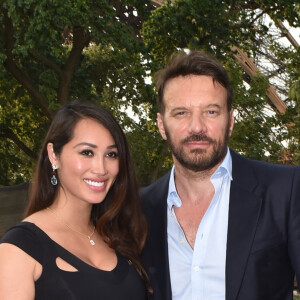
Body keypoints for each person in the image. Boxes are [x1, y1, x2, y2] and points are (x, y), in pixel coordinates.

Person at [141, 51, 300, 300]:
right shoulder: (137, 209)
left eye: (211, 112)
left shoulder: (284, 190)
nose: (197, 127)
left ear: (230, 121)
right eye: (181, 113)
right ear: (161, 125)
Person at [0, 100, 152, 299]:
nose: (101, 168)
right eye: (87, 152)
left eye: (111, 154)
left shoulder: (119, 232)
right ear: (54, 155)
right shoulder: (20, 247)